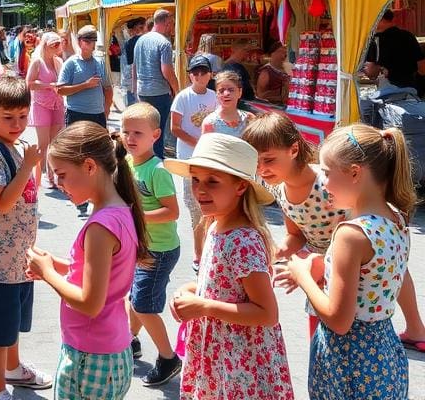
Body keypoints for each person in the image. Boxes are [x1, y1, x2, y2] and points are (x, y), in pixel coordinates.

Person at [247, 111, 425, 347]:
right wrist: (279, 252)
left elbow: (364, 240)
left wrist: (307, 269)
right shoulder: (280, 191)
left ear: (293, 150)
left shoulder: (332, 184)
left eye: (268, 160)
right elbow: (295, 233)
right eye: (255, 162)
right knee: (322, 331)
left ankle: (416, 327)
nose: (261, 169)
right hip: (325, 268)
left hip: (349, 266)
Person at [279, 124, 414, 399]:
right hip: (383, 354)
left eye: (327, 173)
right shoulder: (397, 218)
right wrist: (321, 264)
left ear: (354, 172)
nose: (323, 183)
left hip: (349, 360)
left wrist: (302, 273)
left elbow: (340, 321)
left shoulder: (350, 234)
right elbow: (373, 278)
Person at [165, 133, 293, 400]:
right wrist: (189, 291)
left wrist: (204, 306)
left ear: (240, 187)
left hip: (241, 365)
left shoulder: (243, 240)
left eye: (213, 182)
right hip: (219, 358)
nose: (200, 190)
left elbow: (267, 313)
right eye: (196, 180)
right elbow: (221, 284)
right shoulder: (215, 225)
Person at [26, 121, 147, 400]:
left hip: (90, 356)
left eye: (62, 174)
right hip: (112, 350)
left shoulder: (100, 226)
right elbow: (101, 274)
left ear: (90, 166)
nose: (58, 184)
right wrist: (56, 265)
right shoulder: (120, 211)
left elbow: (91, 302)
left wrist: (48, 274)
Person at [0, 75, 51, 400]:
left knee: (13, 322)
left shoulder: (19, 146)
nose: (17, 124)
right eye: (8, 117)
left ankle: (14, 368)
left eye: (22, 116)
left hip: (19, 257)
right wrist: (28, 167)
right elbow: (3, 203)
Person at [122, 103, 182, 386]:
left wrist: (137, 216)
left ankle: (168, 358)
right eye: (126, 132)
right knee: (136, 298)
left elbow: (172, 211)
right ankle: (129, 340)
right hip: (141, 247)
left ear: (156, 135)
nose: (130, 138)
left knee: (144, 305)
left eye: (138, 133)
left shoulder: (157, 170)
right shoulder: (128, 163)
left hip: (160, 249)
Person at [170, 55, 216, 269]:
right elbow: (175, 128)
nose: (198, 76)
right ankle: (199, 254)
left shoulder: (215, 97)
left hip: (210, 157)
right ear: (190, 75)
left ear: (210, 75)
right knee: (194, 207)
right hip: (189, 157)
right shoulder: (182, 97)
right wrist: (198, 141)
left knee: (213, 206)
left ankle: (210, 250)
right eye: (194, 73)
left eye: (202, 72)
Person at [133, 9, 179, 154]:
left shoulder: (140, 40)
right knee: (157, 131)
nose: (172, 27)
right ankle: (156, 161)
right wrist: (177, 89)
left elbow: (134, 68)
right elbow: (166, 70)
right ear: (166, 23)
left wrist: (135, 90)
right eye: (171, 23)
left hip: (142, 91)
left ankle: (144, 156)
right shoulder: (164, 43)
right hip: (159, 92)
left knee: (145, 128)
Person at [25, 31, 65, 189]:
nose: (57, 47)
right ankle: (39, 178)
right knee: (43, 143)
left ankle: (52, 176)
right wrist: (48, 86)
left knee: (55, 142)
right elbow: (29, 83)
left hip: (57, 103)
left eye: (58, 44)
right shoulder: (37, 62)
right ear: (45, 45)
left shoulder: (59, 61)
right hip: (41, 104)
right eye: (53, 44)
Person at [56, 24, 113, 128]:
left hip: (97, 115)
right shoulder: (71, 63)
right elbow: (60, 90)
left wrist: (106, 110)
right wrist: (85, 85)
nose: (89, 45)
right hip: (76, 113)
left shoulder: (100, 63)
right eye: (86, 41)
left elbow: (108, 89)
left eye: (92, 42)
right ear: (79, 42)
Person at [363, 8, 425, 90]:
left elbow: (371, 73)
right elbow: (422, 68)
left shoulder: (375, 40)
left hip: (387, 89)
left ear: (380, 19)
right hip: (410, 88)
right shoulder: (408, 35)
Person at [201, 70, 254, 137]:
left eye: (231, 90)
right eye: (221, 90)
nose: (226, 94)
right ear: (217, 94)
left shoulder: (249, 119)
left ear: (240, 92)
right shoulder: (209, 123)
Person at [256, 41, 290, 105]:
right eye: (280, 51)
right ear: (272, 53)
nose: (283, 55)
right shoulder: (266, 71)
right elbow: (260, 96)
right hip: (273, 108)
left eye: (284, 52)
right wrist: (279, 94)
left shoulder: (286, 68)